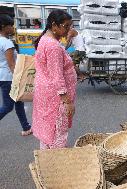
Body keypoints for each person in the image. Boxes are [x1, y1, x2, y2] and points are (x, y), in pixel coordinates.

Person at [32, 10, 77, 149]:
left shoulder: (45, 39)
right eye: (66, 26)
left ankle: (46, 161)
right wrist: (67, 101)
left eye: (70, 26)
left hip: (46, 94)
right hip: (56, 99)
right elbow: (57, 76)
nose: (68, 30)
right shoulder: (53, 46)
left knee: (48, 131)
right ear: (54, 25)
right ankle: (54, 164)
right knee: (57, 133)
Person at [0, 14, 32, 136]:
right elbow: (12, 65)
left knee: (19, 101)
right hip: (8, 78)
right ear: (3, 27)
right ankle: (26, 127)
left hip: (2, 76)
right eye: (11, 26)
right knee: (8, 106)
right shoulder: (7, 43)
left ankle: (26, 127)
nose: (13, 28)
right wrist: (19, 79)